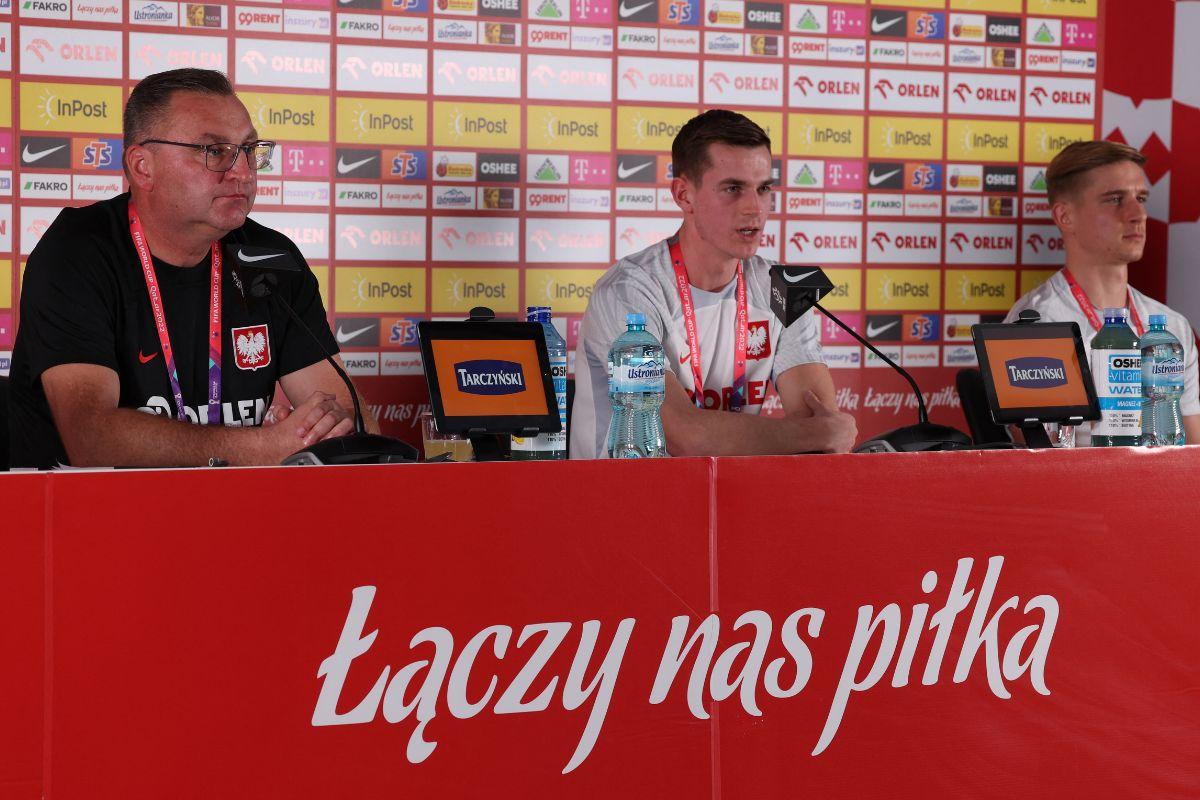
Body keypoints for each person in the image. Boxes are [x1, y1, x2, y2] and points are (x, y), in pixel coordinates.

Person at [8, 68, 377, 468]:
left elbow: (351, 418)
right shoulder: (77, 253)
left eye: (249, 150)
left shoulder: (269, 256)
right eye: (214, 151)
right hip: (90, 518)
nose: (242, 171)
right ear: (143, 166)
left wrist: (327, 427)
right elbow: (92, 439)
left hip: (233, 514)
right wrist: (264, 447)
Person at [571, 109, 857, 458]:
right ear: (683, 195)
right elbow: (680, 437)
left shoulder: (783, 286)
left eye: (763, 188)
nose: (755, 208)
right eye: (733, 189)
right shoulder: (628, 293)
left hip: (731, 498)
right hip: (623, 503)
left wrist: (815, 434)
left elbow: (822, 440)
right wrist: (808, 434)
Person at [1004, 140, 1200, 444]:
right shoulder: (1035, 323)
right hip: (1078, 490)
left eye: (1142, 198)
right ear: (1065, 217)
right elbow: (1038, 461)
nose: (1139, 214)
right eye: (1115, 199)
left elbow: (1192, 450)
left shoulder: (1171, 327)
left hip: (1160, 488)